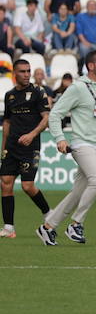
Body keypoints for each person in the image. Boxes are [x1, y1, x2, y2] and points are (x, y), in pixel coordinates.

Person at [35, 50, 96, 246]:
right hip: (81, 143)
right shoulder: (77, 88)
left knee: (78, 192)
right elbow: (55, 115)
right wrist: (60, 138)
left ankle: (48, 228)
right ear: (91, 66)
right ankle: (76, 224)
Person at [0, 59, 52, 239]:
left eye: (28, 71)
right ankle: (8, 227)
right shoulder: (10, 95)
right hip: (12, 146)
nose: (26, 74)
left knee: (27, 186)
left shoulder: (38, 92)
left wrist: (32, 135)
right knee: (5, 182)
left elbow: (46, 118)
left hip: (30, 147)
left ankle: (48, 213)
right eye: (22, 71)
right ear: (15, 73)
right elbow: (6, 122)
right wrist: (3, 147)